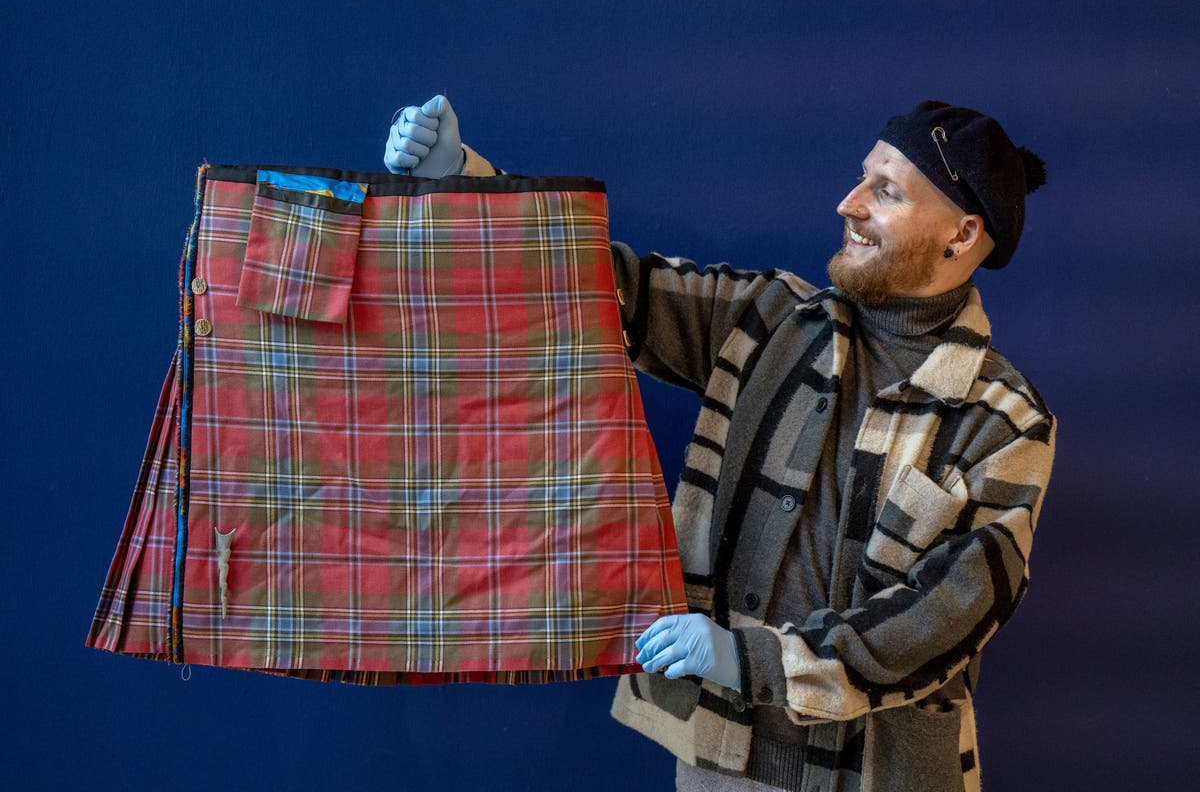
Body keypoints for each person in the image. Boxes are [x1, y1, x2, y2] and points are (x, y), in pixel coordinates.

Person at [383, 95, 1057, 792]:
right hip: (721, 764)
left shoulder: (1004, 421)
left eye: (885, 191)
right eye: (863, 177)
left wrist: (748, 659)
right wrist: (462, 179)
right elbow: (601, 290)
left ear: (962, 234)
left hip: (888, 776)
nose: (848, 203)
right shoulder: (769, 320)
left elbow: (942, 620)